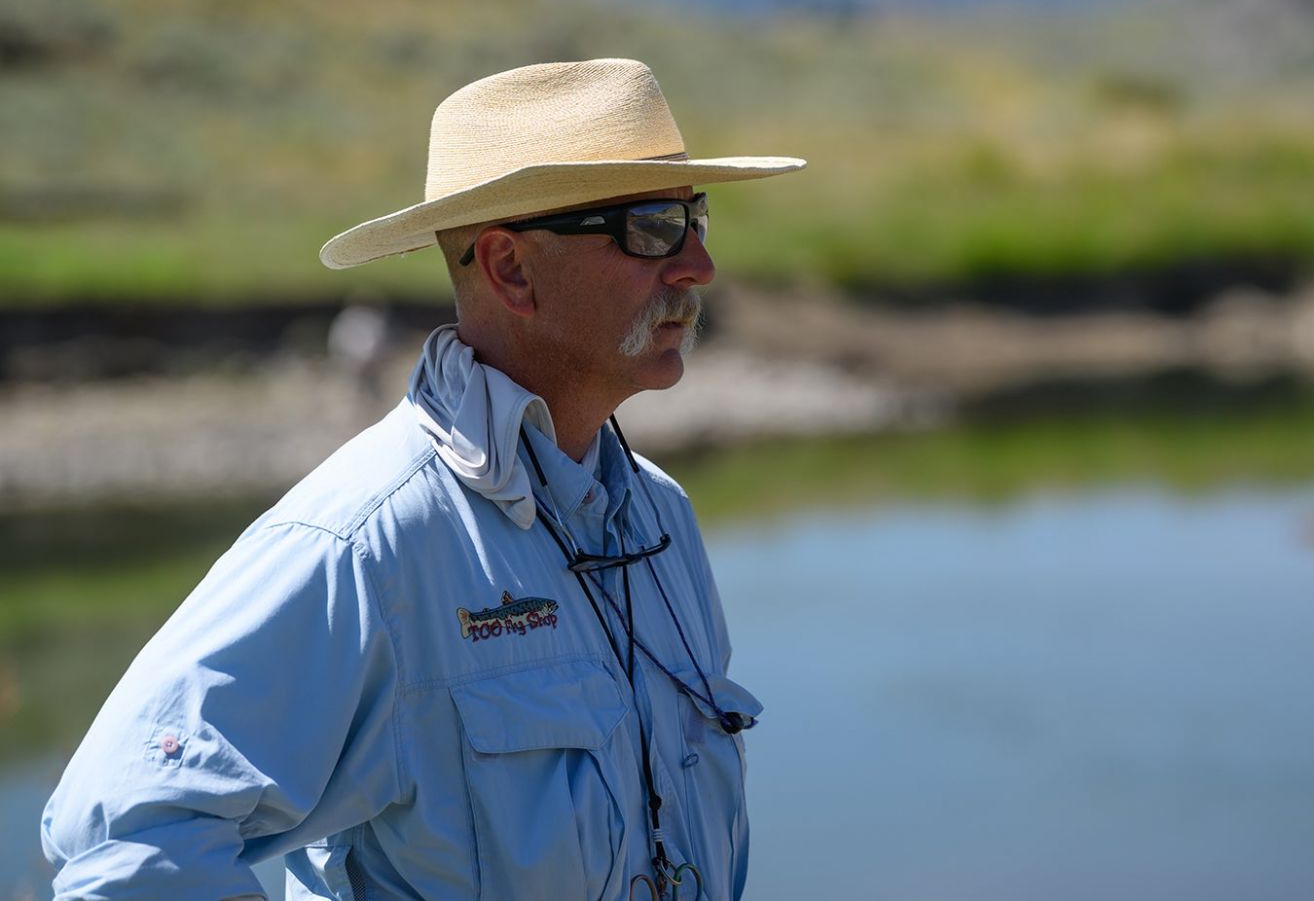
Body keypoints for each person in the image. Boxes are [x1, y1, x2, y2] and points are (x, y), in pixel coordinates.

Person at [40, 58, 805, 900]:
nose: (697, 262)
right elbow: (132, 845)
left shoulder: (662, 517)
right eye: (652, 225)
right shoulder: (365, 542)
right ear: (511, 269)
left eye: (695, 216)